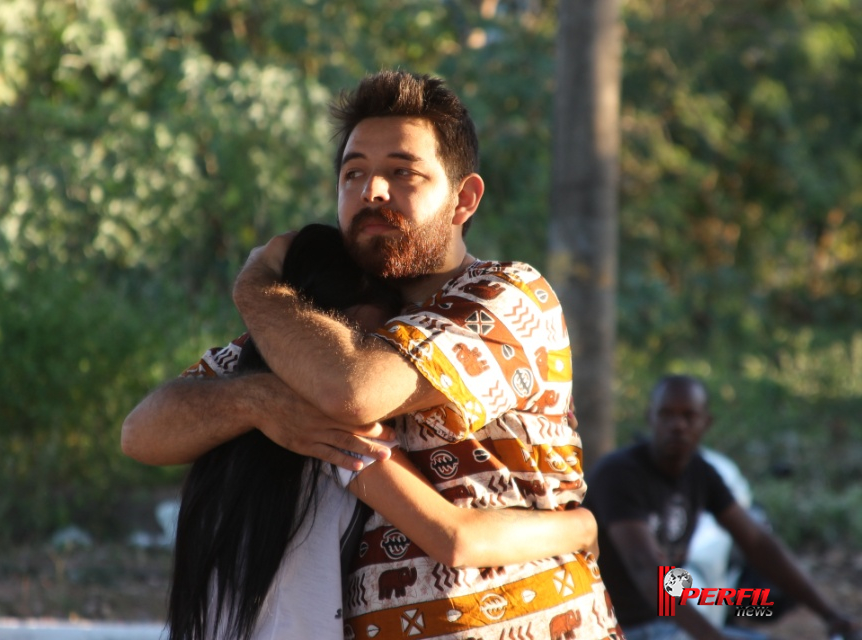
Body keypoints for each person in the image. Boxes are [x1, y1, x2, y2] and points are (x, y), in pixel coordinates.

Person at [227, 70, 621, 639]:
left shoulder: (505, 294)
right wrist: (259, 398)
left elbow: (353, 390)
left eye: (402, 172)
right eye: (353, 173)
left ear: (464, 200)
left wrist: (252, 288)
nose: (372, 191)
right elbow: (146, 429)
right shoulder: (317, 327)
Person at [160, 223, 601, 640]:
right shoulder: (336, 432)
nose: (373, 364)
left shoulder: (223, 413)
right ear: (322, 330)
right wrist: (579, 527)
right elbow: (457, 537)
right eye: (367, 344)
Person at [584, 374, 861, 640]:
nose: (677, 425)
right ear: (650, 418)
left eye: (688, 416)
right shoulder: (619, 474)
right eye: (666, 414)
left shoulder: (700, 472)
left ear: (706, 422)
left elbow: (758, 543)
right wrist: (710, 636)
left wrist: (829, 614)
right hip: (615, 627)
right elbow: (645, 566)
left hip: (666, 623)